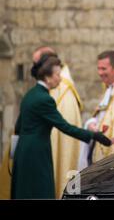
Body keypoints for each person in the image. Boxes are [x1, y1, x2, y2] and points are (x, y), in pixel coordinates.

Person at [11, 55, 111, 199]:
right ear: (48, 77)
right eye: (58, 74)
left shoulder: (30, 94)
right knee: (39, 191)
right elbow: (65, 127)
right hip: (37, 153)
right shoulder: (45, 99)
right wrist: (93, 136)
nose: (60, 78)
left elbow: (18, 126)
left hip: (23, 151)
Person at [32, 46, 83, 199]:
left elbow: (65, 129)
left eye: (36, 64)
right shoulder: (50, 85)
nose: (33, 69)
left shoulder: (63, 88)